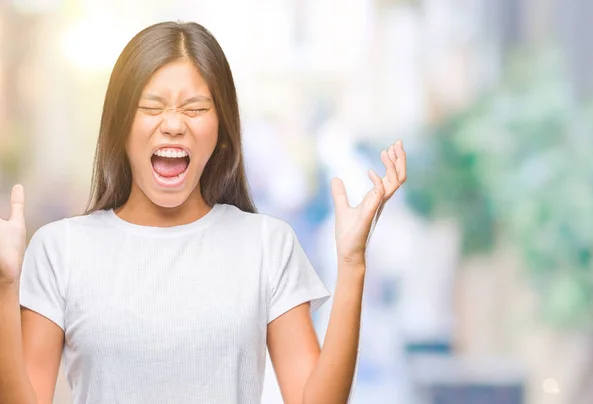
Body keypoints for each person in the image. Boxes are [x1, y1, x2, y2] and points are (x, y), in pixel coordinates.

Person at [0, 21, 406, 404]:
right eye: (151, 106)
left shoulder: (267, 244)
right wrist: (5, 286)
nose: (174, 124)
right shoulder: (60, 248)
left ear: (221, 132)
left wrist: (352, 263)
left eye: (195, 108)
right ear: (120, 126)